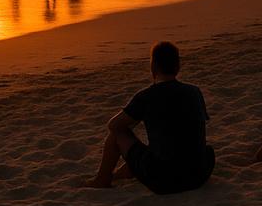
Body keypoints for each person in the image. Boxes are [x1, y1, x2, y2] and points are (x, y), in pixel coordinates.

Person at [87, 41, 215, 193]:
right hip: (199, 175)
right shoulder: (194, 92)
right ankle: (127, 171)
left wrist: (133, 123)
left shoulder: (146, 96)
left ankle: (102, 180)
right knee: (181, 147)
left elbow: (113, 125)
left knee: (116, 135)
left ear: (153, 67)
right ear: (178, 66)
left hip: (164, 180)